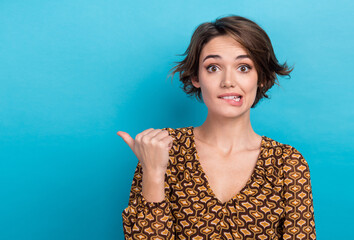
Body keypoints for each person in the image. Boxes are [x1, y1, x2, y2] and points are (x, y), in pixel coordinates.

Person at [117, 15, 316, 239]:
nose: (228, 81)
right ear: (196, 77)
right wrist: (153, 173)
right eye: (213, 68)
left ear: (260, 77)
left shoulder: (287, 163)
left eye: (243, 67)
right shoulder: (162, 148)